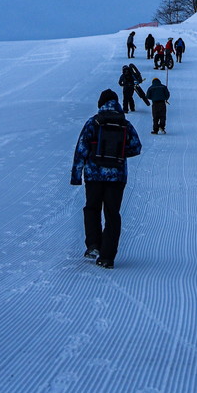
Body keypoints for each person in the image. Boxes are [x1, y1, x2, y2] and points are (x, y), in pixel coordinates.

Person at [71, 89, 142, 269]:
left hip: (94, 176)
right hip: (117, 176)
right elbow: (136, 147)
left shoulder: (93, 122)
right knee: (112, 214)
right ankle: (107, 257)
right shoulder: (125, 124)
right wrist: (119, 153)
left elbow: (81, 148)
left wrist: (76, 174)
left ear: (100, 103)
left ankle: (93, 246)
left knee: (92, 208)